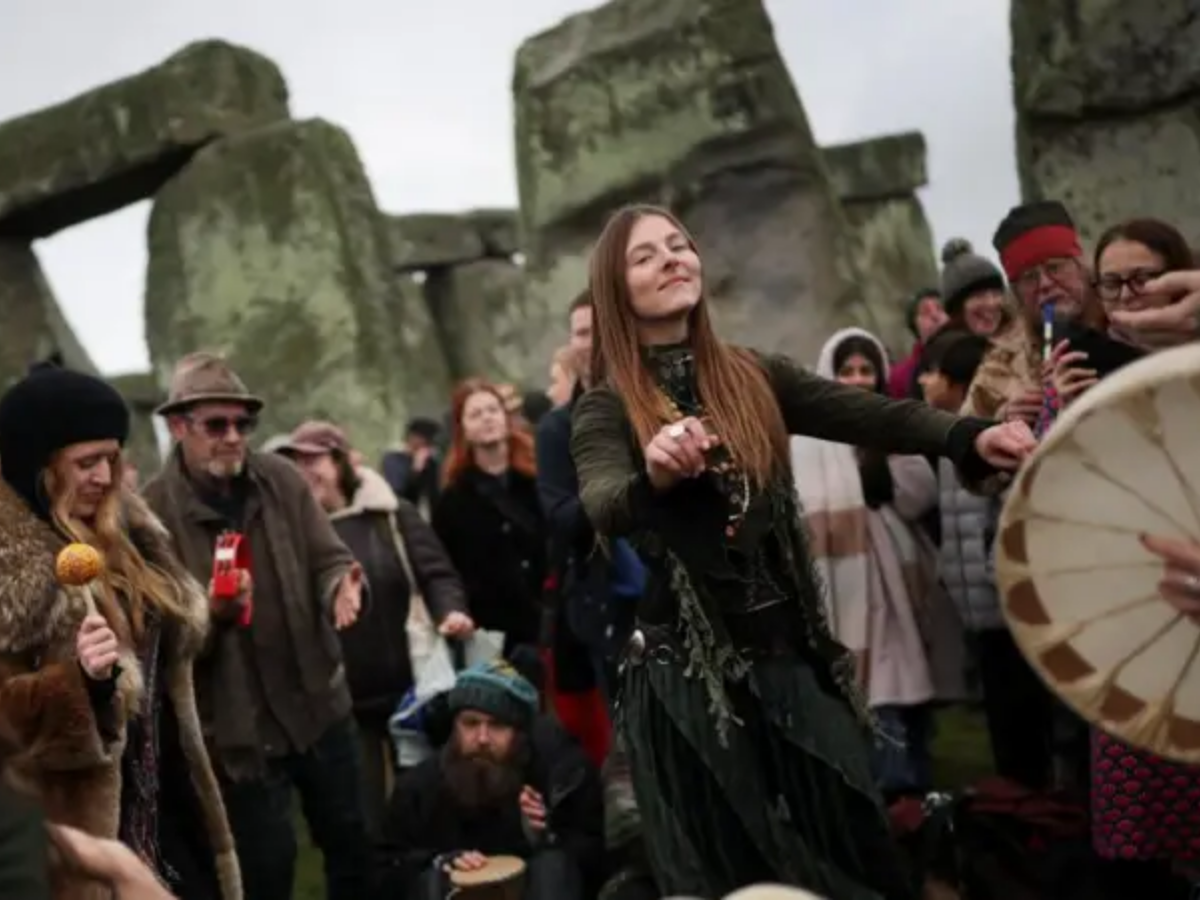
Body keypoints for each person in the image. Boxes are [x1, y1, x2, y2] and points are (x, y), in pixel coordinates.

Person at [570, 204, 1036, 899]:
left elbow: (873, 412)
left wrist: (966, 436)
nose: (672, 258)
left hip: (790, 659)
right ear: (617, 288)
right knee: (735, 874)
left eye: (679, 244)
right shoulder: (607, 406)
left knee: (854, 845)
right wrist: (657, 474)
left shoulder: (753, 375)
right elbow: (603, 501)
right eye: (646, 256)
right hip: (689, 687)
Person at [0, 363, 240, 900]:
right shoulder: (7, 571)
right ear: (39, 465)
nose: (106, 479)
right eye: (86, 463)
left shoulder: (131, 535)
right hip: (84, 829)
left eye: (111, 459)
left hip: (168, 804)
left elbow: (177, 651)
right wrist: (77, 686)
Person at [141, 352, 370, 900]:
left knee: (355, 848)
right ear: (178, 427)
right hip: (239, 735)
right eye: (216, 425)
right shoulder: (151, 514)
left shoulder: (283, 479)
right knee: (267, 870)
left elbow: (328, 557)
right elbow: (160, 639)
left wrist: (342, 584)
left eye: (243, 424)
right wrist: (213, 616)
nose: (233, 436)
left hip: (318, 705)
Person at [274, 419, 474, 834]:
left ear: (342, 462)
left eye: (316, 460)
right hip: (343, 703)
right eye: (297, 464)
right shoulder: (292, 536)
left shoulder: (391, 515)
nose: (306, 473)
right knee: (367, 819)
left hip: (413, 691)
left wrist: (449, 611)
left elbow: (437, 574)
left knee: (429, 801)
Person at [791, 328, 965, 800]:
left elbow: (918, 496)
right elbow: (804, 509)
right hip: (842, 583)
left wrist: (878, 465)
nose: (857, 380)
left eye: (866, 370)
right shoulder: (808, 438)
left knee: (902, 683)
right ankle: (884, 792)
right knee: (866, 691)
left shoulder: (892, 426)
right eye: (847, 371)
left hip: (896, 577)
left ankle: (914, 789)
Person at [375, 660, 605, 900]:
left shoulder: (557, 775)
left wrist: (544, 836)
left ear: (519, 733)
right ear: (455, 727)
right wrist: (440, 863)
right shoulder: (419, 787)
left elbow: (597, 861)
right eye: (471, 724)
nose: (482, 738)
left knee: (553, 867)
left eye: (497, 725)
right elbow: (386, 868)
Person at [433, 379, 547, 657]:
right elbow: (450, 571)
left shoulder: (540, 478)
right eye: (475, 414)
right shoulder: (453, 501)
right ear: (463, 430)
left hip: (557, 625)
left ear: (506, 418)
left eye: (493, 410)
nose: (487, 418)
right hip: (498, 639)